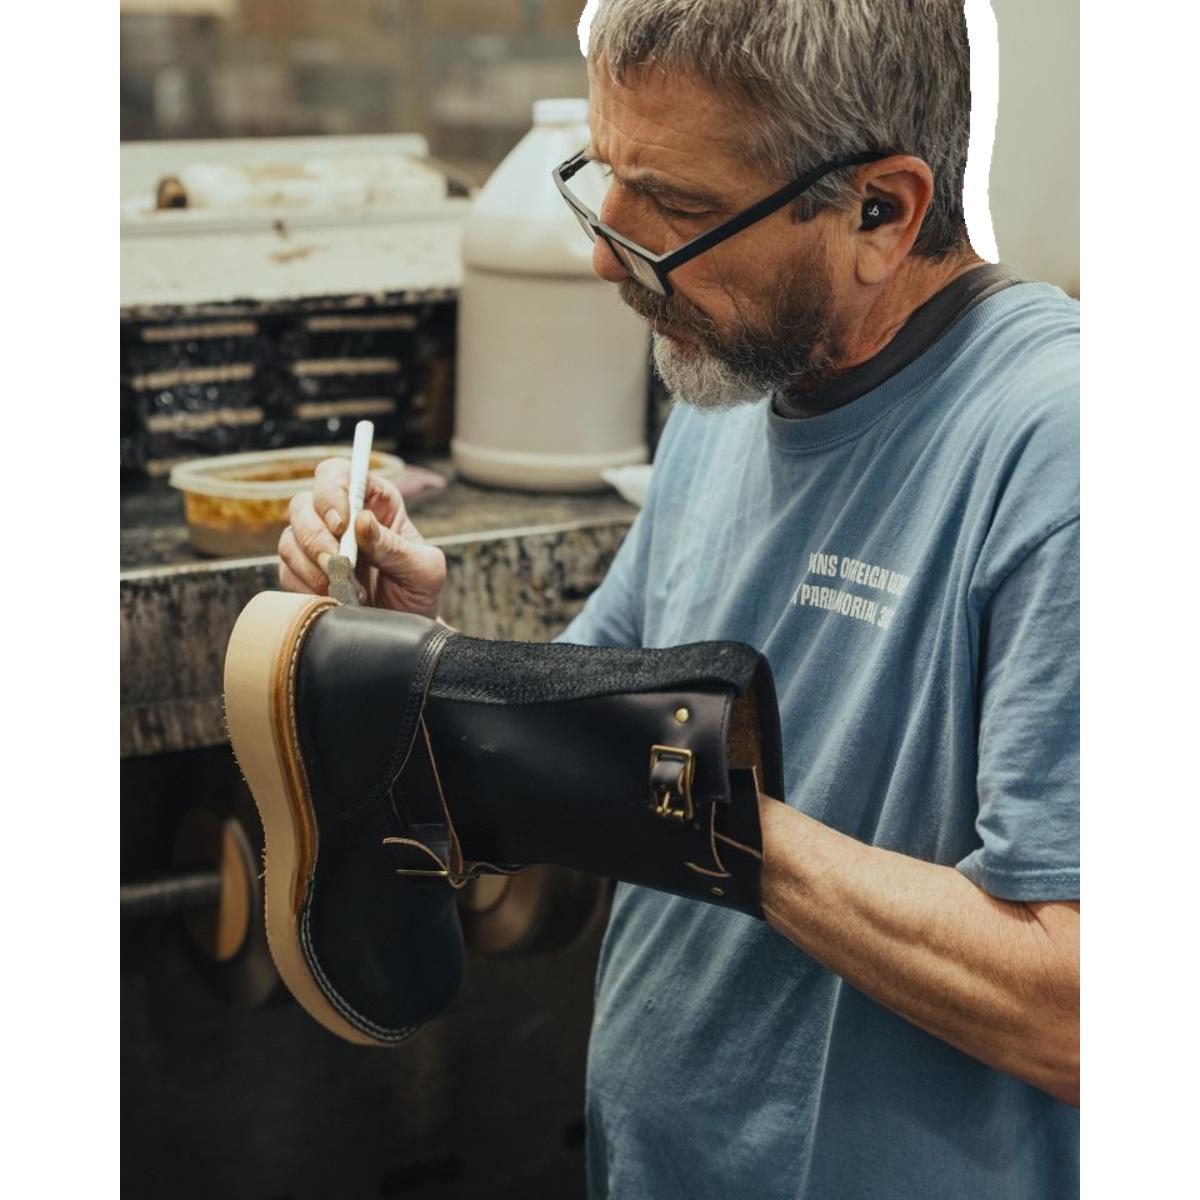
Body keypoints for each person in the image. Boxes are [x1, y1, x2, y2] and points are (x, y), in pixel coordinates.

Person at [277, 1, 1079, 1196]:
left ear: (883, 210)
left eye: (681, 209)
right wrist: (420, 651)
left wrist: (704, 815)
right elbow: (592, 748)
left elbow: (1078, 1009)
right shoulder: (733, 381)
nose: (610, 255)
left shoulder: (1066, 454)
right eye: (606, 176)